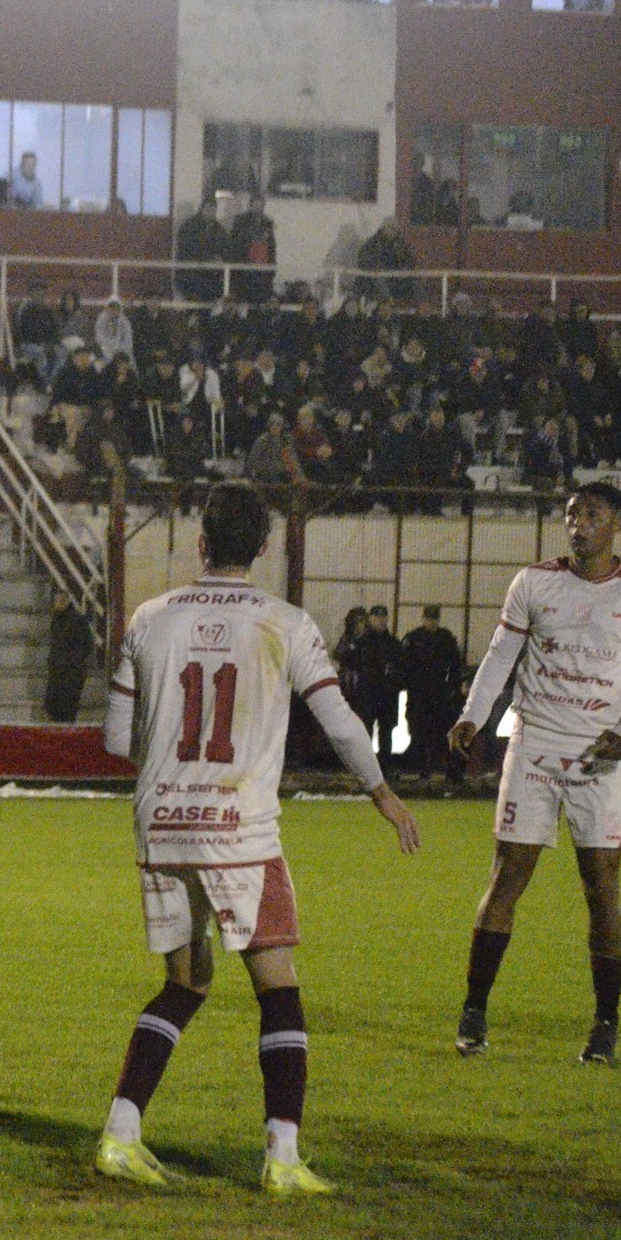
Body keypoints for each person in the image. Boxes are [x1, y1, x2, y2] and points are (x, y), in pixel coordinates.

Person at [97, 482, 420, 1195]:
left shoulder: (149, 619)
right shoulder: (285, 623)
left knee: (186, 983)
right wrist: (382, 793)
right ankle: (282, 1156)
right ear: (264, 548)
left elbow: (119, 737)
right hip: (239, 829)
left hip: (162, 825)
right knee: (278, 989)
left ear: (201, 541)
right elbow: (339, 723)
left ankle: (120, 1135)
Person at [448, 483, 621, 1065]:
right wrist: (474, 716)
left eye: (592, 515)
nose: (578, 524)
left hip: (600, 756)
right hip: (535, 746)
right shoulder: (534, 582)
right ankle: (474, 1011)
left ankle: (605, 1022)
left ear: (614, 525)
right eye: (572, 514)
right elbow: (501, 655)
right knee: (507, 878)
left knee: (601, 887)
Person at [400, 605, 463, 781]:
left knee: (442, 734)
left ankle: (451, 771)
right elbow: (404, 666)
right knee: (418, 733)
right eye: (429, 618)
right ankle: (423, 770)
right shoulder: (413, 638)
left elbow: (455, 665)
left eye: (434, 619)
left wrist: (453, 687)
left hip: (439, 693)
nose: (432, 622)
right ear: (423, 619)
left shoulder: (446, 638)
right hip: (418, 694)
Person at [349, 605, 403, 765]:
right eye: (376, 617)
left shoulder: (393, 644)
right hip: (368, 693)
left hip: (387, 694)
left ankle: (384, 769)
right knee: (366, 731)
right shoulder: (362, 643)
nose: (380, 621)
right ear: (370, 619)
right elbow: (350, 661)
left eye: (383, 618)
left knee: (386, 732)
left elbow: (402, 667)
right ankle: (366, 767)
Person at [44, 592, 94, 722]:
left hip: (70, 671)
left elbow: (87, 645)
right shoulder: (57, 620)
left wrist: (72, 660)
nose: (58, 604)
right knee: (60, 710)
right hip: (60, 670)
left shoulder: (75, 620)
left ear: (67, 601)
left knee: (66, 710)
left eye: (61, 601)